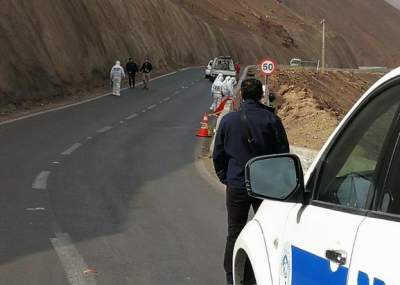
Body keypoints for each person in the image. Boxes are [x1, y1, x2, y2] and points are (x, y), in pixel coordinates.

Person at [213, 78, 289, 285]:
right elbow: (283, 153)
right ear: (260, 96)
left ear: (242, 96)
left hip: (237, 184)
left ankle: (232, 276)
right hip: (265, 186)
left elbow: (218, 154)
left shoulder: (229, 120)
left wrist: (226, 177)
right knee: (267, 231)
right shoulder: (272, 120)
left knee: (234, 231)